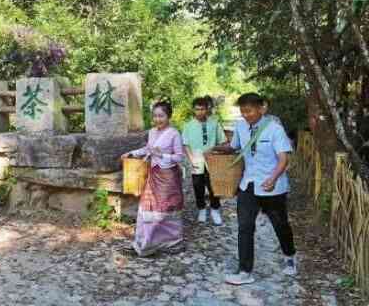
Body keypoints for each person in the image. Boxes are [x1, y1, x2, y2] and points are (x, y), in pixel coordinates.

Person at [208, 93, 297, 285]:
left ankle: (289, 256)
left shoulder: (275, 129)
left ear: (261, 109)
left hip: (273, 187)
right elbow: (235, 147)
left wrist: (273, 178)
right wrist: (214, 149)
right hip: (248, 184)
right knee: (245, 226)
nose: (246, 115)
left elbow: (284, 158)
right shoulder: (241, 126)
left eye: (249, 110)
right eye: (242, 111)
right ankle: (245, 271)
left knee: (280, 225)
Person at [120, 100, 184, 257]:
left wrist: (162, 154)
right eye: (155, 116)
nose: (157, 119)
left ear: (168, 116)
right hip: (154, 174)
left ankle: (173, 241)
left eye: (161, 116)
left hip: (169, 177)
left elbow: (179, 157)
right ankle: (143, 242)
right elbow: (147, 149)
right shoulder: (152, 132)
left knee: (166, 208)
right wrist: (132, 153)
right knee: (147, 207)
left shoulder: (174, 133)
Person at [182, 97, 228, 225]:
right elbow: (185, 144)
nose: (200, 112)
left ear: (207, 109)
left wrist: (215, 150)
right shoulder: (188, 125)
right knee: (198, 186)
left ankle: (215, 209)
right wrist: (191, 159)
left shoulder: (214, 123)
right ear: (193, 110)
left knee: (214, 186)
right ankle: (201, 208)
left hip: (213, 161)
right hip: (196, 160)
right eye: (197, 109)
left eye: (202, 109)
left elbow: (223, 141)